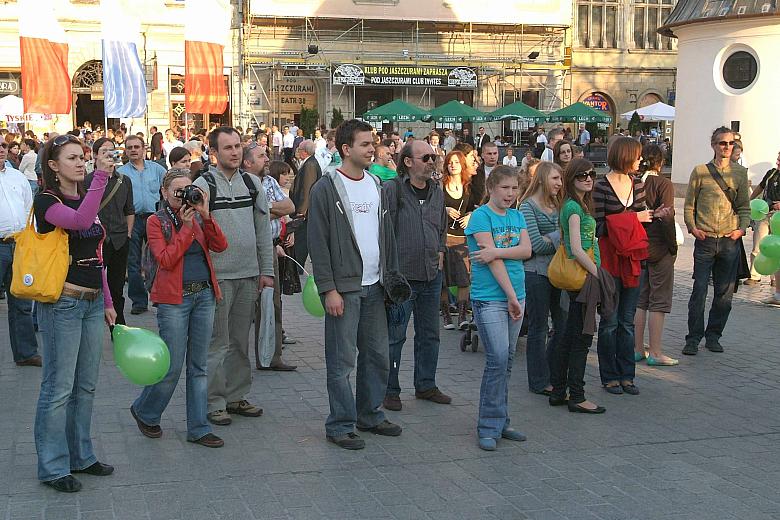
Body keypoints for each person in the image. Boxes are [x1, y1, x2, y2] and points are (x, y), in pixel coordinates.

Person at [308, 119, 403, 450]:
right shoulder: (326, 187)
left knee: (377, 355)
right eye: (365, 144)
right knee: (342, 360)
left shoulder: (377, 183)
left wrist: (391, 276)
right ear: (346, 149)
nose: (372, 149)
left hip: (376, 286)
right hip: (345, 289)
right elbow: (318, 242)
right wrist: (329, 289)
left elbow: (386, 235)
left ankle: (370, 414)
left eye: (372, 143)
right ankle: (340, 424)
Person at [33, 135, 117, 492]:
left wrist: (108, 301)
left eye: (83, 157)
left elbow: (97, 255)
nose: (81, 163)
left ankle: (81, 455)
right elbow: (81, 223)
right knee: (58, 387)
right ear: (53, 166)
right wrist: (101, 177)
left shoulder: (86, 196)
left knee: (86, 385)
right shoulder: (46, 201)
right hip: (63, 302)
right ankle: (53, 466)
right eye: (72, 158)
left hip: (92, 301)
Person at [130, 168, 227, 448]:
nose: (184, 197)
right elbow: (165, 259)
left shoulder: (197, 216)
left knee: (199, 366)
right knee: (171, 365)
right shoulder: (156, 221)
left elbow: (221, 245)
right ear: (164, 192)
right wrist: (185, 228)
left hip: (204, 296)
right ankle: (146, 411)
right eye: (178, 192)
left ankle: (199, 428)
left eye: (189, 190)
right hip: (175, 300)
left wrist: (205, 215)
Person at [193, 127, 275, 426]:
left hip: (248, 275)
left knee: (240, 341)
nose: (235, 152)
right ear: (214, 153)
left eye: (238, 146)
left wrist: (266, 271)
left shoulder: (253, 184)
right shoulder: (203, 185)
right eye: (227, 147)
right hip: (217, 278)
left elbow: (263, 231)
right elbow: (194, 233)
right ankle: (214, 402)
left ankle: (236, 395)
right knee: (218, 342)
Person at [382, 140, 451, 412]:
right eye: (425, 158)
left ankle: (426, 385)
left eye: (433, 157)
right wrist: (389, 270)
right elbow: (384, 229)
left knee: (430, 335)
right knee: (395, 336)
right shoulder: (393, 190)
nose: (431, 162)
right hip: (403, 278)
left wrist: (441, 250)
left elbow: (442, 226)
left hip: (431, 274)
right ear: (408, 162)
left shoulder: (436, 191)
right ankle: (390, 390)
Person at [465, 165, 531, 451]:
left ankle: (502, 420)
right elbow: (493, 263)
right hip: (491, 297)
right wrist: (511, 296)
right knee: (498, 358)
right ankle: (488, 424)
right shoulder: (481, 216)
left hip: (517, 294)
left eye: (514, 188)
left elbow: (526, 250)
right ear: (491, 188)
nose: (510, 193)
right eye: (505, 187)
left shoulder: (517, 216)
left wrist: (497, 251)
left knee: (508, 360)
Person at [683, 127, 750, 355]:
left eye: (731, 143)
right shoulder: (700, 171)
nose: (727, 147)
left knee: (724, 293)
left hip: (729, 240)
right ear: (713, 145)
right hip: (706, 240)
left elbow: (744, 207)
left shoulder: (740, 173)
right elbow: (689, 205)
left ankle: (713, 336)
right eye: (722, 143)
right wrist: (692, 227)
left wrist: (741, 229)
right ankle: (693, 338)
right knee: (699, 290)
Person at [593, 136, 650, 395]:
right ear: (625, 156)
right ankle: (609, 376)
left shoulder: (638, 184)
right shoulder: (601, 186)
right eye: (637, 155)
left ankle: (628, 375)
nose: (640, 160)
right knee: (610, 321)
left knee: (627, 321)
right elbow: (598, 226)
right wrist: (633, 218)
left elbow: (644, 221)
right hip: (610, 259)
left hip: (633, 259)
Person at [549, 159, 605, 414]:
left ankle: (560, 391)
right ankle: (577, 395)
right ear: (571, 179)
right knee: (581, 338)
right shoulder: (573, 207)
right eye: (582, 175)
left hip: (581, 277)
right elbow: (576, 248)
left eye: (591, 174)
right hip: (582, 278)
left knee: (570, 335)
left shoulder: (577, 204)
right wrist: (598, 274)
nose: (588, 178)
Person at [241, 145, 297, 371]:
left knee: (272, 303)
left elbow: (289, 206)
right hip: (246, 251)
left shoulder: (270, 182)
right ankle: (237, 362)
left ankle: (272, 357)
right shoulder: (240, 182)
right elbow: (244, 216)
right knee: (243, 306)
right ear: (247, 162)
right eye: (261, 156)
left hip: (270, 249)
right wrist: (271, 211)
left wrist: (263, 206)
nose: (267, 159)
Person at [518, 162, 565, 396]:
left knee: (562, 325)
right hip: (536, 273)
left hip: (560, 272)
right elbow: (535, 245)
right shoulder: (527, 206)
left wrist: (551, 238)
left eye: (561, 179)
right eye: (555, 178)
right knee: (539, 327)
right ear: (543, 179)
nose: (559, 183)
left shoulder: (558, 204)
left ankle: (551, 371)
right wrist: (560, 236)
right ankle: (538, 380)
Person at [634, 144, 679, 366]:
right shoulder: (663, 184)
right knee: (658, 301)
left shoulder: (635, 183)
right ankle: (655, 351)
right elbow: (667, 217)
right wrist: (673, 247)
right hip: (660, 246)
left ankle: (636, 348)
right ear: (660, 162)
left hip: (638, 246)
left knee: (640, 300)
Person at [85, 138, 135, 326]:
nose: (109, 154)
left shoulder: (124, 180)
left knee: (117, 287)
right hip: (97, 241)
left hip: (120, 239)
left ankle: (119, 326)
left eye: (112, 150)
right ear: (95, 155)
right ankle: (95, 321)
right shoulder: (86, 181)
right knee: (95, 285)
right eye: (104, 151)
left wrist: (128, 234)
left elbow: (129, 210)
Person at [0, 140, 40, 366]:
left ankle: (26, 354)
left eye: (3, 145)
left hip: (19, 245)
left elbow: (29, 209)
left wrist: (31, 240)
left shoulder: (17, 177)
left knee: (22, 303)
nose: (1, 149)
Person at [118, 135, 167, 315]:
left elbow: (167, 190)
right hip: (132, 219)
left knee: (160, 258)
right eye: (129, 147)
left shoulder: (157, 169)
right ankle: (139, 301)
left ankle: (161, 298)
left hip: (155, 218)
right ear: (125, 150)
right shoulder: (121, 173)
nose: (133, 150)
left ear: (144, 148)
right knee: (133, 261)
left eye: (136, 147)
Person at [442, 150, 477, 330]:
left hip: (463, 237)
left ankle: (462, 315)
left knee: (464, 277)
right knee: (443, 279)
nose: (453, 165)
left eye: (456, 162)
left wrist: (470, 215)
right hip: (444, 237)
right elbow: (432, 208)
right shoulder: (440, 186)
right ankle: (446, 315)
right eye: (450, 162)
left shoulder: (469, 187)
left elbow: (476, 207)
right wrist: (445, 209)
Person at [746, 151, 780, 290]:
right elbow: (760, 187)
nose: (778, 162)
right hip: (765, 213)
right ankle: (754, 275)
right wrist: (750, 200)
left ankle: (775, 278)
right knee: (758, 244)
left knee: (776, 246)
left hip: (778, 217)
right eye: (778, 159)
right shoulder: (771, 173)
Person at [289, 139, 322, 268]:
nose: (297, 152)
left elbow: (307, 189)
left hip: (305, 212)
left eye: (299, 149)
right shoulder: (308, 163)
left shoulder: (310, 165)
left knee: (301, 240)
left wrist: (301, 212)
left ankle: (298, 266)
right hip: (305, 211)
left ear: (305, 152)